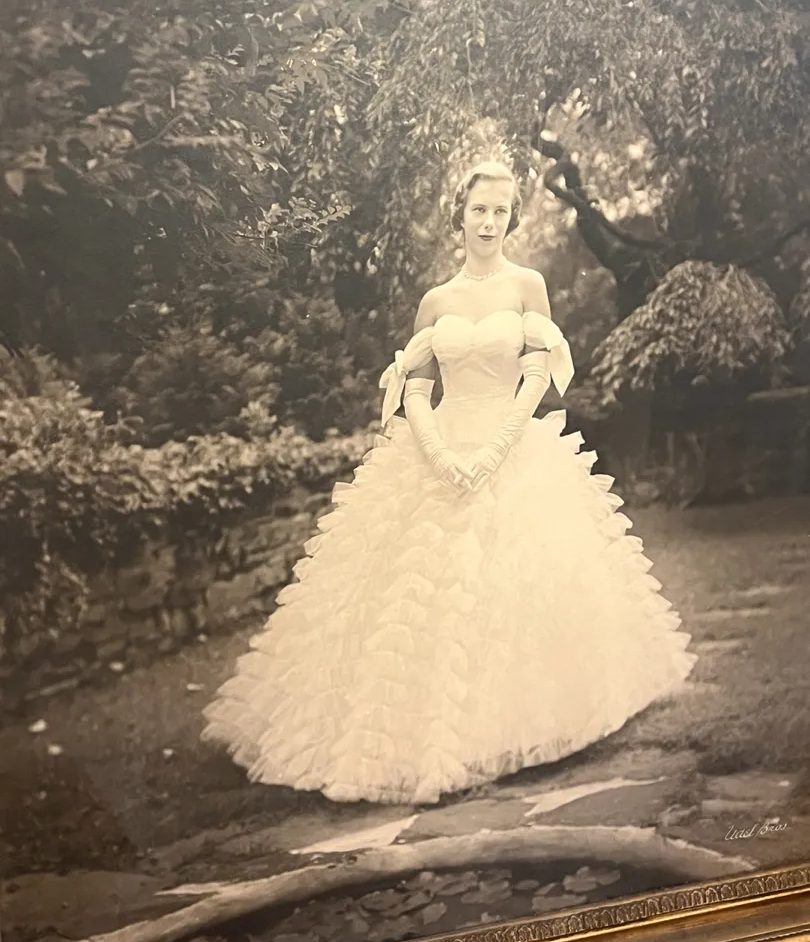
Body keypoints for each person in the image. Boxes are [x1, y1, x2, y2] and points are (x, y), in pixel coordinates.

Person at [201, 160, 696, 805]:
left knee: (521, 581)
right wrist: (437, 453)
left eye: (500, 211)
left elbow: (536, 376)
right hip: (440, 448)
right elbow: (415, 388)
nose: (488, 222)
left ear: (511, 218)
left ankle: (529, 720)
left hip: (511, 444)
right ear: (458, 215)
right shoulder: (435, 302)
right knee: (414, 595)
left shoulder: (528, 285)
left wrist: (494, 451)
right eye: (478, 210)